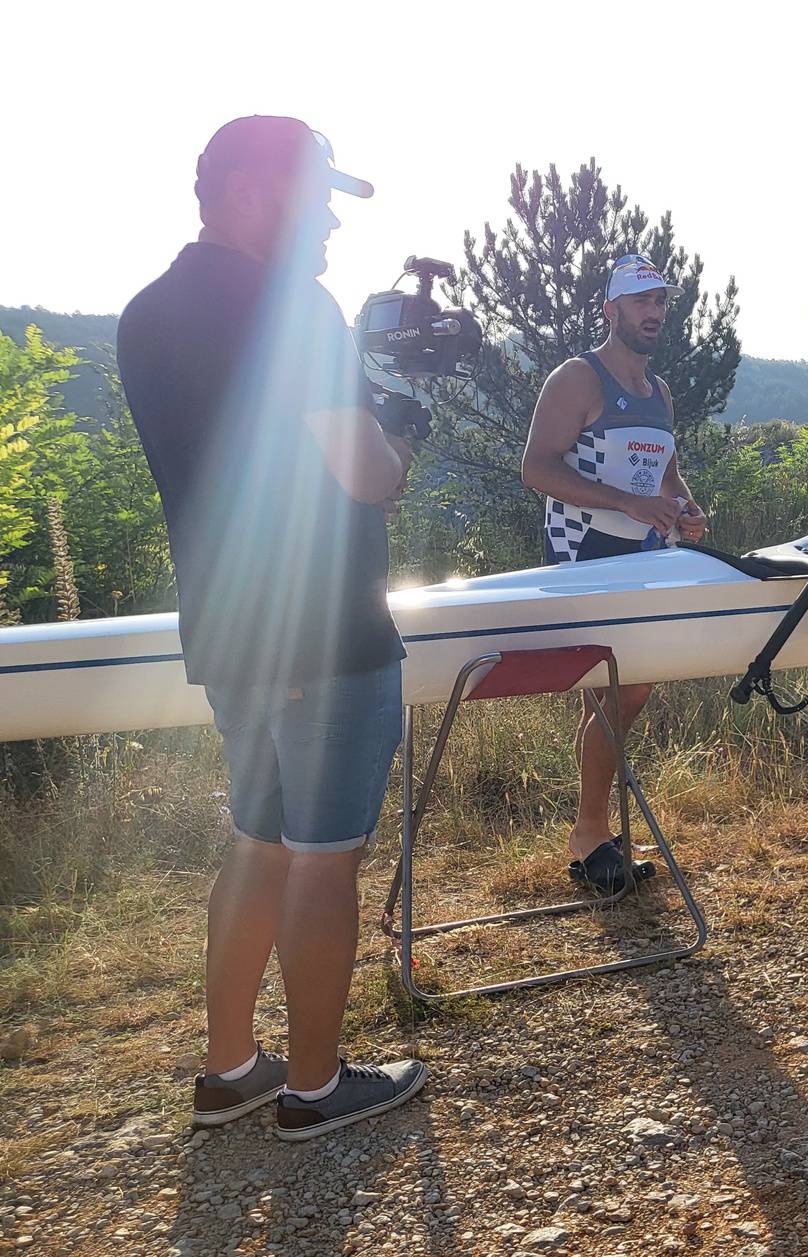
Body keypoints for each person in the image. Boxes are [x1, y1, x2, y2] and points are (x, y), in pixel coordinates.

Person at [119, 116, 426, 1140]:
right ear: (251, 189)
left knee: (255, 841)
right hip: (325, 630)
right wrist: (401, 433)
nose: (329, 226)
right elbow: (365, 475)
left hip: (229, 626)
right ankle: (315, 1086)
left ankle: (230, 1069)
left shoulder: (146, 311)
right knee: (322, 855)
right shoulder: (295, 308)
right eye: (317, 199)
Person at [521, 254, 708, 891]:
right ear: (611, 311)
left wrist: (684, 506)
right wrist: (627, 502)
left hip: (644, 554)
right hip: (583, 551)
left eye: (660, 302)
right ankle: (591, 835)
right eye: (640, 303)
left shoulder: (660, 393)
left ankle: (593, 834)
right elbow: (538, 469)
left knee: (630, 691)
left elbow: (665, 471)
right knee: (613, 691)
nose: (654, 313)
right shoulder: (579, 378)